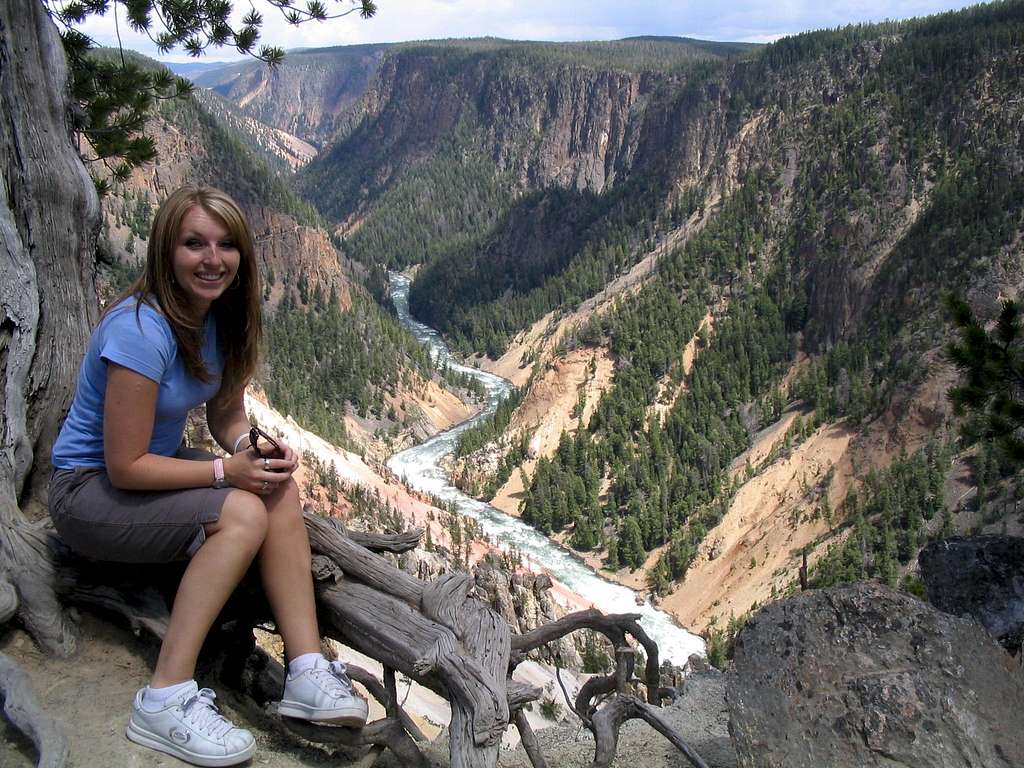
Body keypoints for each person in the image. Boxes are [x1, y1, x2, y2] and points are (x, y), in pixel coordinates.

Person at [48, 185, 367, 767]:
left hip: (145, 477)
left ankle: (306, 670)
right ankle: (164, 699)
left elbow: (224, 412)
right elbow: (124, 465)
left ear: (242, 254)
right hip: (88, 492)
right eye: (194, 243)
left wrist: (254, 449)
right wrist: (225, 472)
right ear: (167, 251)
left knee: (276, 488)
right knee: (242, 508)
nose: (211, 259)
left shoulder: (217, 319)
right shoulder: (140, 331)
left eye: (225, 245)